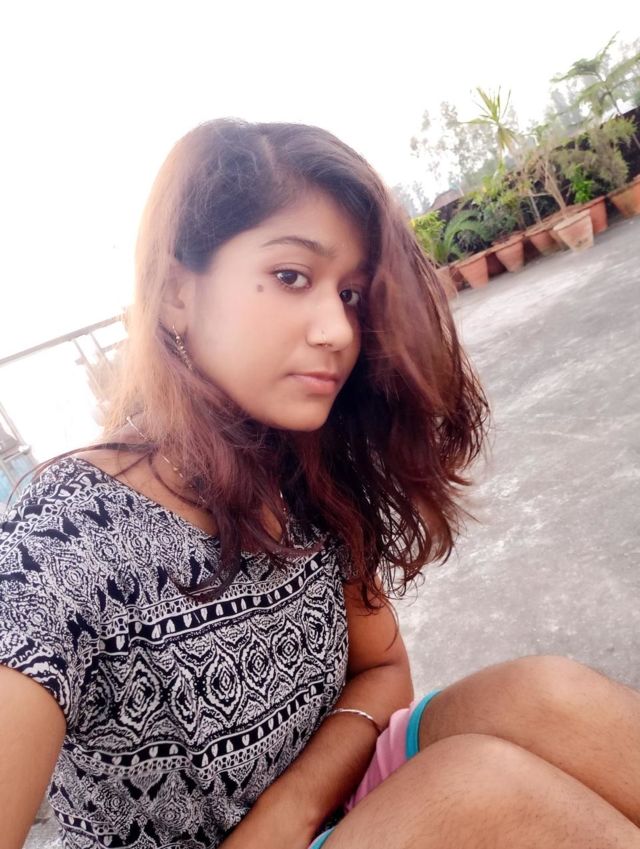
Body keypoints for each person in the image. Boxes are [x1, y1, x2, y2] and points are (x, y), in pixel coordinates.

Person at [1, 119, 639, 849]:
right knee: (477, 793)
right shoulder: (61, 538)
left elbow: (383, 667)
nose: (337, 330)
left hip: (332, 801)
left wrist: (292, 810)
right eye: (291, 277)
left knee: (544, 696)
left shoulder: (300, 465)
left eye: (352, 295)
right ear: (176, 292)